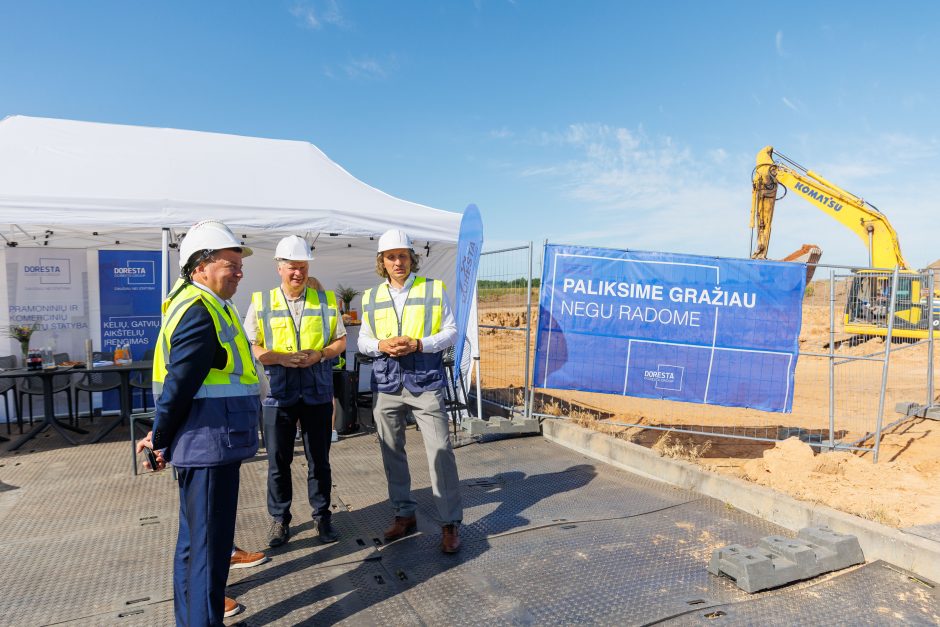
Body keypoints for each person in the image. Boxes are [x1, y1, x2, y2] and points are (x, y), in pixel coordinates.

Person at [136, 220, 261, 625]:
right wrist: (159, 438)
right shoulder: (198, 309)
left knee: (195, 544)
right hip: (210, 442)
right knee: (208, 548)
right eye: (231, 264)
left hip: (210, 440)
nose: (240, 272)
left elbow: (204, 364)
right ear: (200, 267)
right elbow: (181, 383)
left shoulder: (199, 304)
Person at [357, 228, 463, 554]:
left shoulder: (433, 289)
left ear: (411, 258)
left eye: (403, 255)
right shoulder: (371, 297)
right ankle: (404, 514)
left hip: (425, 381)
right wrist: (381, 345)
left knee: (440, 451)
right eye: (391, 257)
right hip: (388, 383)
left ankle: (449, 523)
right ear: (383, 262)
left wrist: (419, 344)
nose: (398, 262)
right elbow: (362, 341)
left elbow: (451, 332)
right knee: (391, 450)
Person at [244, 235, 347, 548]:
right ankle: (279, 519)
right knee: (278, 462)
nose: (298, 273)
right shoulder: (261, 302)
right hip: (278, 394)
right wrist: (280, 358)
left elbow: (341, 341)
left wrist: (320, 354)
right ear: (279, 268)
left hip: (316, 391)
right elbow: (253, 345)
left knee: (320, 460)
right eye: (292, 267)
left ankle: (322, 516)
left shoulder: (327, 301)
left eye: (302, 267)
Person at [307, 275, 341, 444]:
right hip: (325, 357)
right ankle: (332, 430)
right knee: (329, 395)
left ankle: (300, 430)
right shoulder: (327, 306)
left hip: (310, 357)